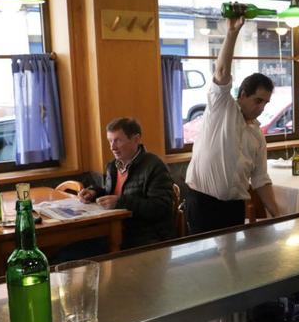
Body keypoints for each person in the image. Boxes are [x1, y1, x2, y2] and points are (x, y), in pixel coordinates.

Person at [185, 13, 280, 234]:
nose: (262, 107)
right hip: (202, 202)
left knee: (233, 266)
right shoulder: (222, 108)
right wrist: (232, 32)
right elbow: (221, 72)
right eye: (258, 101)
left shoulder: (257, 135)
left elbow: (260, 179)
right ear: (243, 95)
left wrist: (279, 215)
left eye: (266, 103)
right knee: (204, 265)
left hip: (234, 207)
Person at [78, 118, 175, 248]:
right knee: (70, 247)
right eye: (110, 141)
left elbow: (161, 207)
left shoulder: (154, 166)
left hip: (145, 236)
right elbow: (110, 191)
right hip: (115, 230)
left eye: (118, 140)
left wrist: (120, 202)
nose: (112, 147)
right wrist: (94, 192)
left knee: (74, 253)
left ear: (136, 139)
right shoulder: (113, 165)